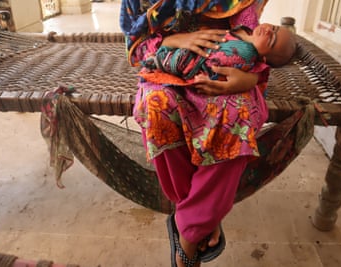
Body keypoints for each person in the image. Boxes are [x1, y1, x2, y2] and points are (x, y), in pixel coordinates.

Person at [120, 0, 292, 266]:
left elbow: (253, 45)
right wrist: (176, 39)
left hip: (227, 75)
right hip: (167, 68)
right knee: (156, 109)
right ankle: (201, 217)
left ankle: (188, 233)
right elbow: (138, 47)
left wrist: (249, 80)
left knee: (239, 116)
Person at [139, 23, 295, 86]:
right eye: (274, 28)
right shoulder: (244, 29)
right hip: (172, 44)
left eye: (272, 39)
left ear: (264, 59)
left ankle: (157, 61)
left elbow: (217, 65)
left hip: (194, 64)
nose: (268, 31)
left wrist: (251, 79)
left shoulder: (246, 53)